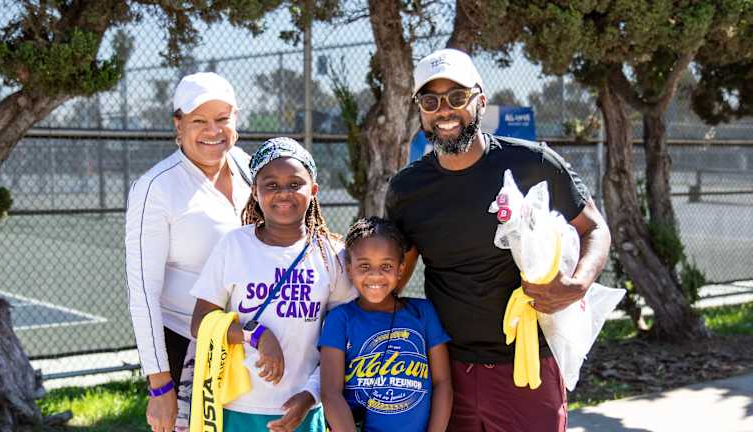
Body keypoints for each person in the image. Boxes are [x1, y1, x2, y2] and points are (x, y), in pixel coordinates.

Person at [385, 48, 612, 432]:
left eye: (457, 97)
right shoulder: (406, 190)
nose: (444, 110)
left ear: (481, 101)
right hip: (447, 371)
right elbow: (394, 277)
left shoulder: (534, 164)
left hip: (528, 366)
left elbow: (594, 228)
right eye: (430, 101)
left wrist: (577, 285)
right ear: (419, 110)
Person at [189, 137, 356, 432]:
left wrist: (311, 395)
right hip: (237, 408)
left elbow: (343, 341)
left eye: (295, 184)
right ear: (255, 192)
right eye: (271, 185)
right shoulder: (234, 245)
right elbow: (200, 322)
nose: (284, 193)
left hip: (303, 409)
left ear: (313, 190)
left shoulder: (331, 255)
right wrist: (256, 334)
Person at [125, 72, 253, 432]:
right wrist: (160, 385)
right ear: (178, 124)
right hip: (186, 347)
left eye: (222, 119)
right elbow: (143, 294)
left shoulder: (249, 167)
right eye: (199, 121)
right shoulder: (155, 187)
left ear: (236, 120)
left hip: (247, 343)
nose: (213, 131)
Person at [320, 217, 452, 432]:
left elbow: (442, 382)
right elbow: (330, 393)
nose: (375, 275)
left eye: (386, 266)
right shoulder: (340, 319)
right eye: (364, 265)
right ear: (349, 269)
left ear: (400, 269)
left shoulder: (423, 313)